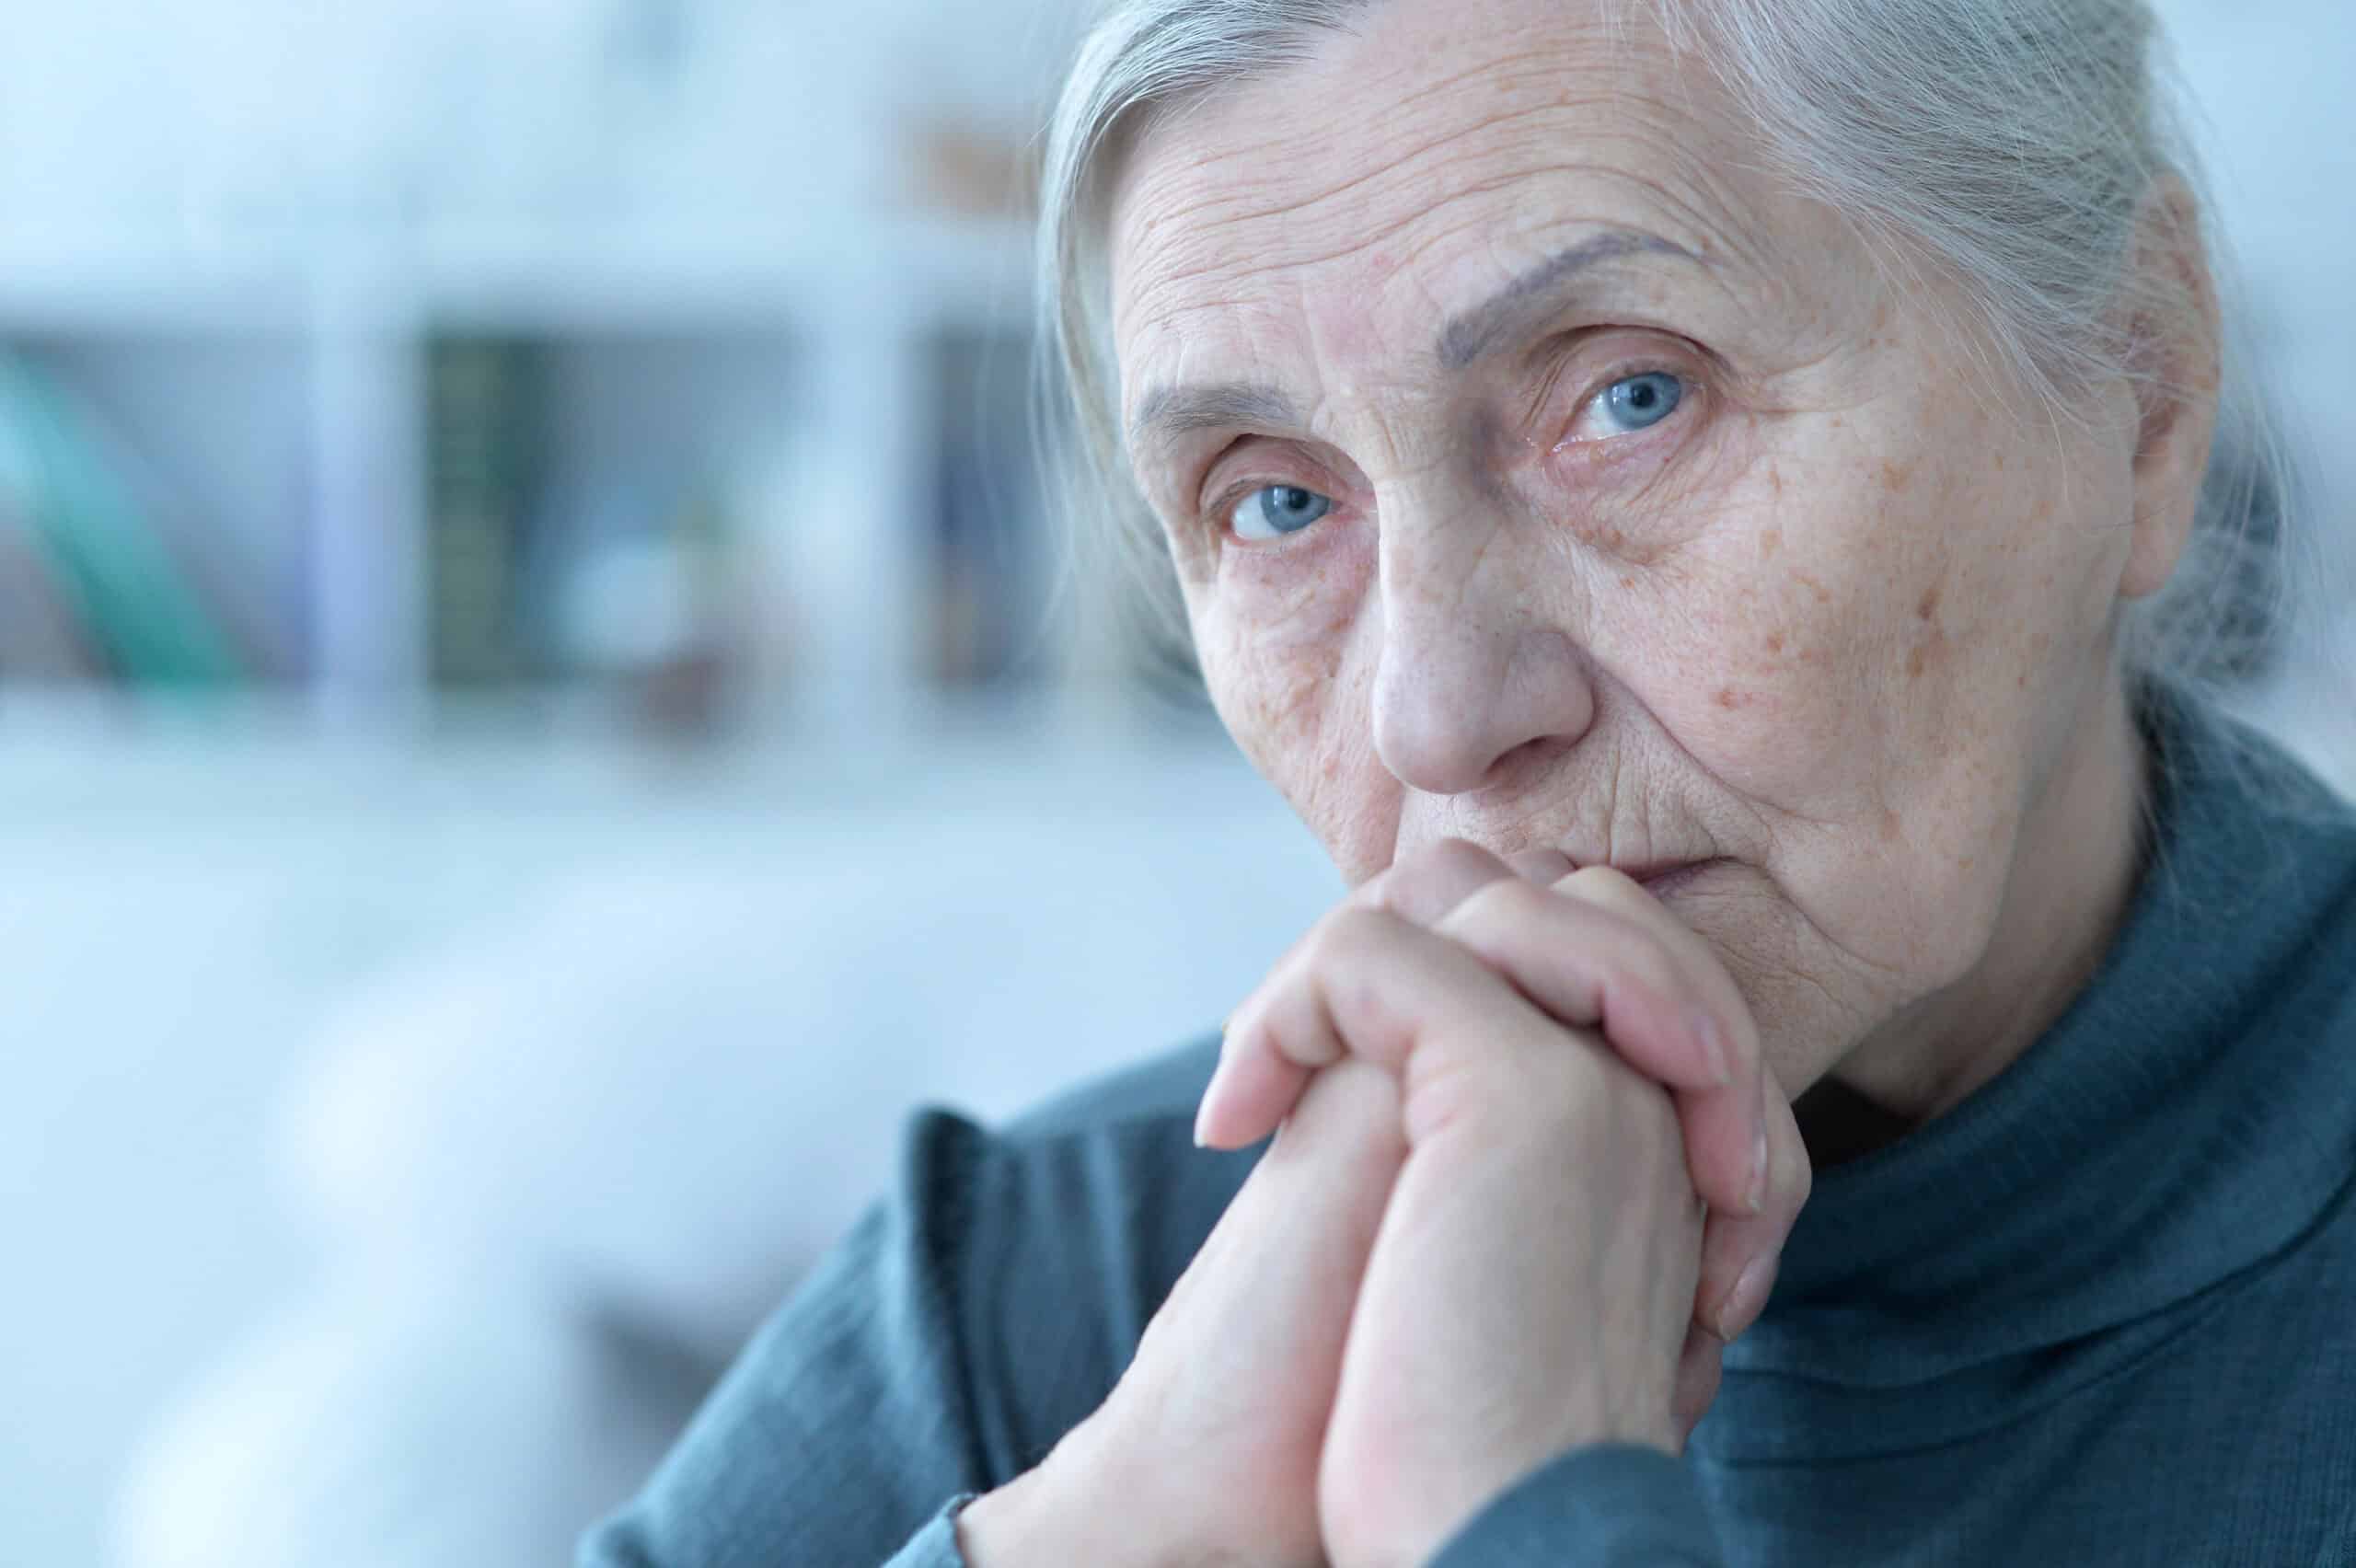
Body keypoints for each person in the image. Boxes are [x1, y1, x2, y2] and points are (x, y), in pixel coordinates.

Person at [581, 0, 2356, 1562]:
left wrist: (1509, 1511)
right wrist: (1118, 1532)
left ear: (2140, 386)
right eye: (1276, 500)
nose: (1436, 718)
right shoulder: (1034, 1304)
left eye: (1631, 398)